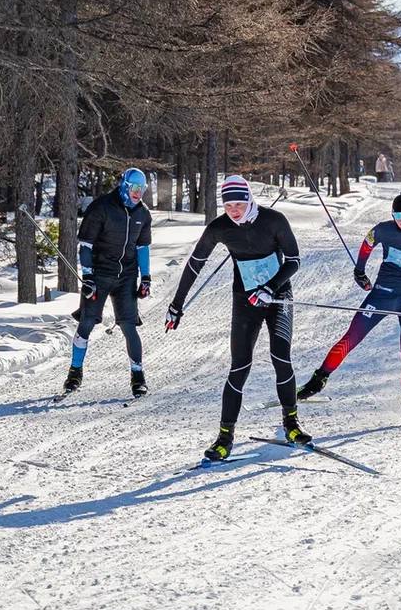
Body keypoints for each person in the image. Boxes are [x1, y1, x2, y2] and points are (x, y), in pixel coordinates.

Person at [164, 175, 305, 461]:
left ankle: (291, 424)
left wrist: (270, 287)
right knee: (239, 365)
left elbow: (294, 260)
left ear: (249, 199)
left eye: (239, 204)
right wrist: (176, 304)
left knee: (280, 355)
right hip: (245, 300)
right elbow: (195, 263)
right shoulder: (220, 227)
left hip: (278, 297)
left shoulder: (273, 220)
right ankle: (224, 437)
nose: (234, 211)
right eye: (228, 206)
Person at [297, 193, 401, 426]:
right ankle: (318, 381)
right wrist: (360, 271)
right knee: (351, 338)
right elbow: (367, 243)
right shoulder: (383, 230)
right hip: (382, 294)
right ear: (392, 216)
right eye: (398, 215)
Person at [62, 168, 153, 396]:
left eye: (141, 189)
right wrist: (89, 276)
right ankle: (75, 372)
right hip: (100, 274)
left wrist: (146, 277)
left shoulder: (143, 214)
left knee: (129, 326)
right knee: (87, 322)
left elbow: (142, 248)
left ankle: (138, 376)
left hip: (126, 276)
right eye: (134, 188)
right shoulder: (101, 207)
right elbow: (86, 246)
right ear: (124, 185)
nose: (137, 193)